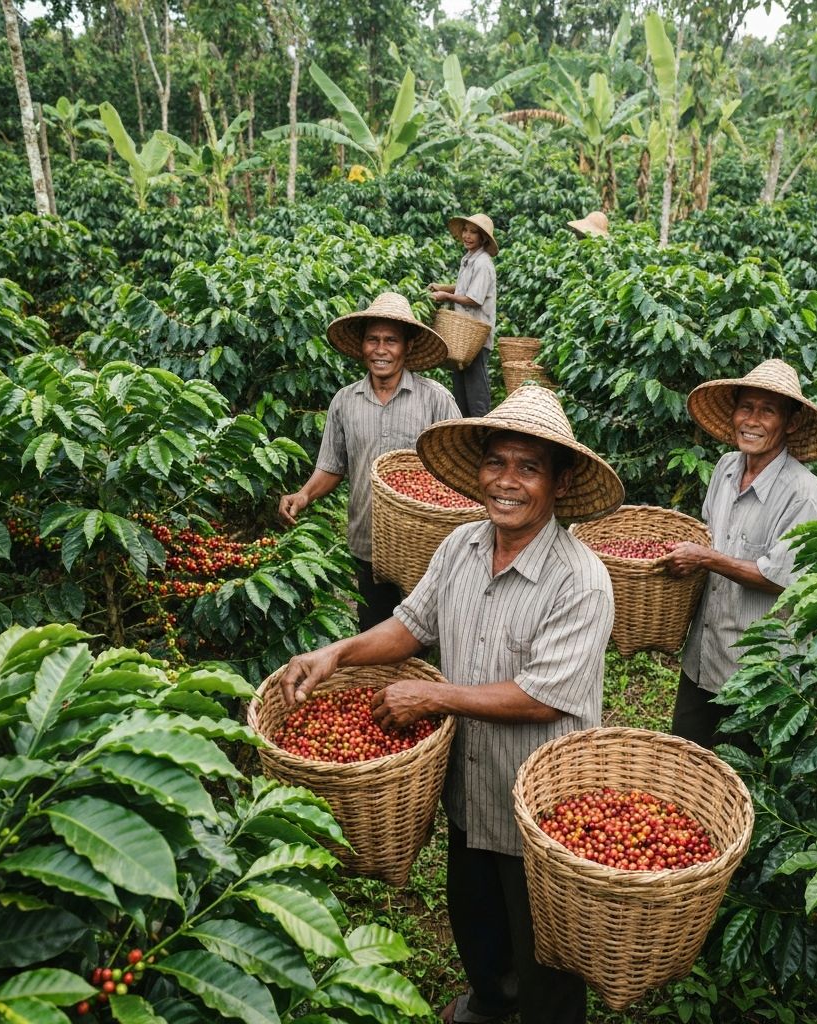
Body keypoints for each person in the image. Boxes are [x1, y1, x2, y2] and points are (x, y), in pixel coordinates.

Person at [267, 386, 624, 1024]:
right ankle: (490, 1002)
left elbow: (544, 697)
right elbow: (409, 624)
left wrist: (432, 693)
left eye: (528, 468)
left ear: (560, 483)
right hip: (471, 784)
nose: (506, 482)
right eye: (496, 463)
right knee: (475, 917)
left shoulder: (581, 580)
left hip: (540, 801)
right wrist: (338, 654)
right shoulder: (460, 546)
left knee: (547, 950)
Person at [662, 358, 817, 750]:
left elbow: (780, 577)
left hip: (756, 672)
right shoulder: (725, 468)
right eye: (746, 407)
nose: (752, 420)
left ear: (790, 423)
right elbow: (708, 538)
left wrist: (706, 559)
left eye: (767, 411)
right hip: (703, 656)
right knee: (684, 762)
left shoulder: (803, 493)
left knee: (739, 782)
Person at [278, 291, 460, 631]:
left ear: (407, 347)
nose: (381, 349)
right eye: (372, 340)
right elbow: (332, 466)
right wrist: (303, 495)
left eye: (391, 340)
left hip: (421, 543)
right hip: (368, 540)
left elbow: (456, 474)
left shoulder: (436, 400)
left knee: (420, 636)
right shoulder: (345, 402)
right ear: (361, 346)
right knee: (374, 632)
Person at [429, 212, 498, 418]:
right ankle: (463, 431)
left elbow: (474, 298)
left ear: (483, 238)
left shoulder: (483, 264)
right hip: (463, 336)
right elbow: (463, 288)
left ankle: (481, 432)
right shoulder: (469, 259)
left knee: (476, 393)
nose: (467, 236)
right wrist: (443, 287)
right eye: (465, 231)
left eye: (473, 232)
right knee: (461, 390)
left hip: (476, 335)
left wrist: (445, 297)